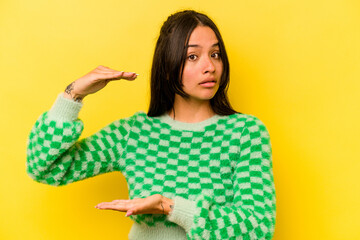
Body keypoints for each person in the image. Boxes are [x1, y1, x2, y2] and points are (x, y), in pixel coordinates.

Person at [26, 10, 276, 240]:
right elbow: (44, 168)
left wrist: (170, 207)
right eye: (192, 56)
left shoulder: (246, 132)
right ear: (167, 68)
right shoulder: (134, 133)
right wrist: (72, 95)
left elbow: (259, 225)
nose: (209, 67)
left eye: (215, 54)